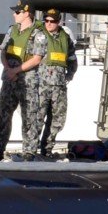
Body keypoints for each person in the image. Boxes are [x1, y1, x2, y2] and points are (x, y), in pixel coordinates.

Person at [25, 9, 76, 159]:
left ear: (58, 22)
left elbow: (72, 59)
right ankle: (29, 151)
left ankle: (46, 149)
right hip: (41, 85)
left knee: (57, 119)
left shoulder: (65, 38)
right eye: (46, 20)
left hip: (59, 86)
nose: (48, 23)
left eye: (52, 21)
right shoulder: (39, 35)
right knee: (37, 118)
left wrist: (70, 74)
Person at [0, 4, 37, 159]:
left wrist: (16, 71)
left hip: (27, 82)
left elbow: (37, 58)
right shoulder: (12, 30)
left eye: (17, 12)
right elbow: (3, 52)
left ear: (27, 13)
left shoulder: (38, 33)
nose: (14, 15)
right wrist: (8, 69)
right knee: (2, 115)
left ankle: (29, 152)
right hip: (9, 79)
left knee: (28, 117)